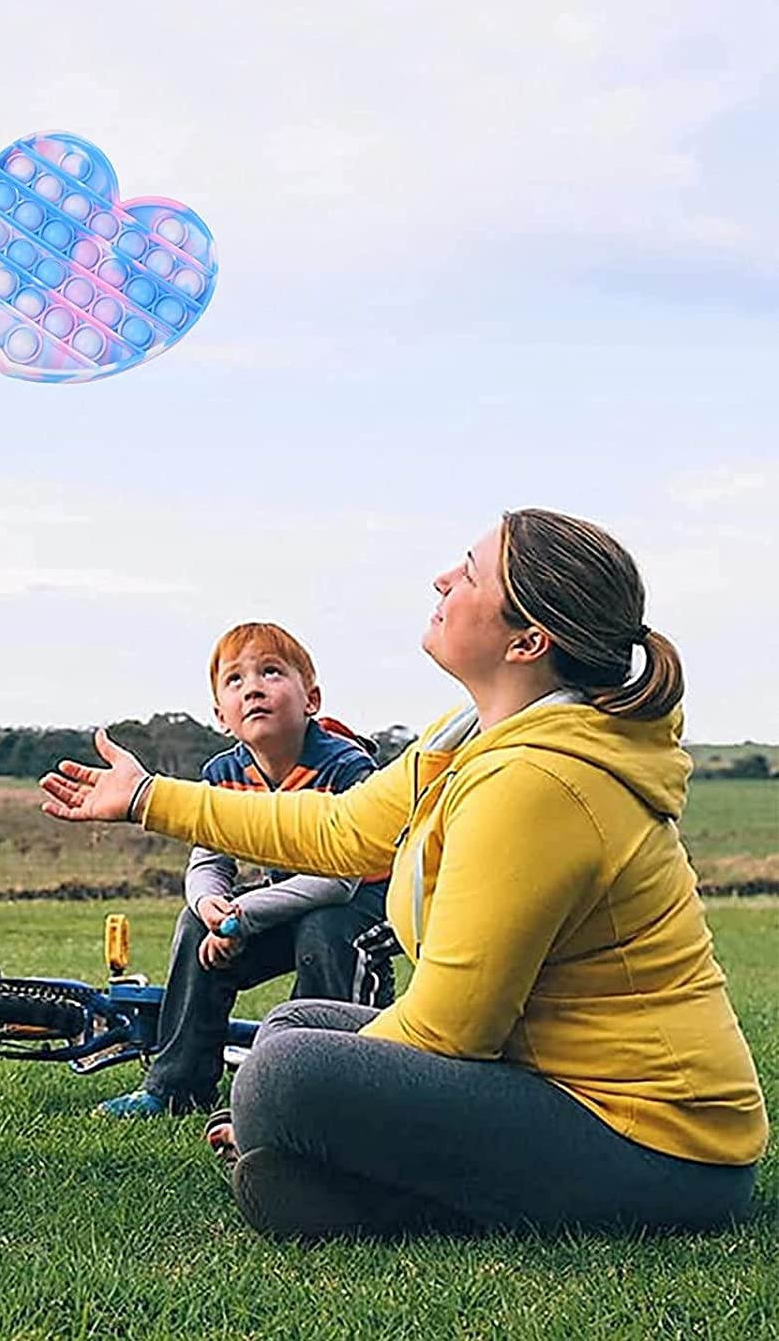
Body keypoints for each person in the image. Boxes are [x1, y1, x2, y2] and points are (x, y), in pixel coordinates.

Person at [41, 509, 768, 1237]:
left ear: (528, 640)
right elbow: (342, 830)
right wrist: (146, 798)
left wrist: (317, 1103)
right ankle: (321, 1169)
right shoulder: (468, 738)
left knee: (282, 1075)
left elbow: (454, 1031)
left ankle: (341, 1179)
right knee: (292, 1026)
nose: (443, 577)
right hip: (556, 1083)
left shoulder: (539, 782)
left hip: (659, 1146)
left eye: (471, 571)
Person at [96, 621, 389, 1120]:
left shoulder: (345, 766)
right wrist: (213, 909)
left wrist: (242, 916)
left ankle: (323, 1089)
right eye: (234, 680)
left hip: (365, 903)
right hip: (286, 898)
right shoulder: (223, 774)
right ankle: (178, 1086)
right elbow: (209, 861)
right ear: (221, 716)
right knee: (193, 924)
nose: (252, 687)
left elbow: (340, 878)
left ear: (311, 698)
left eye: (271, 672)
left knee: (326, 932)